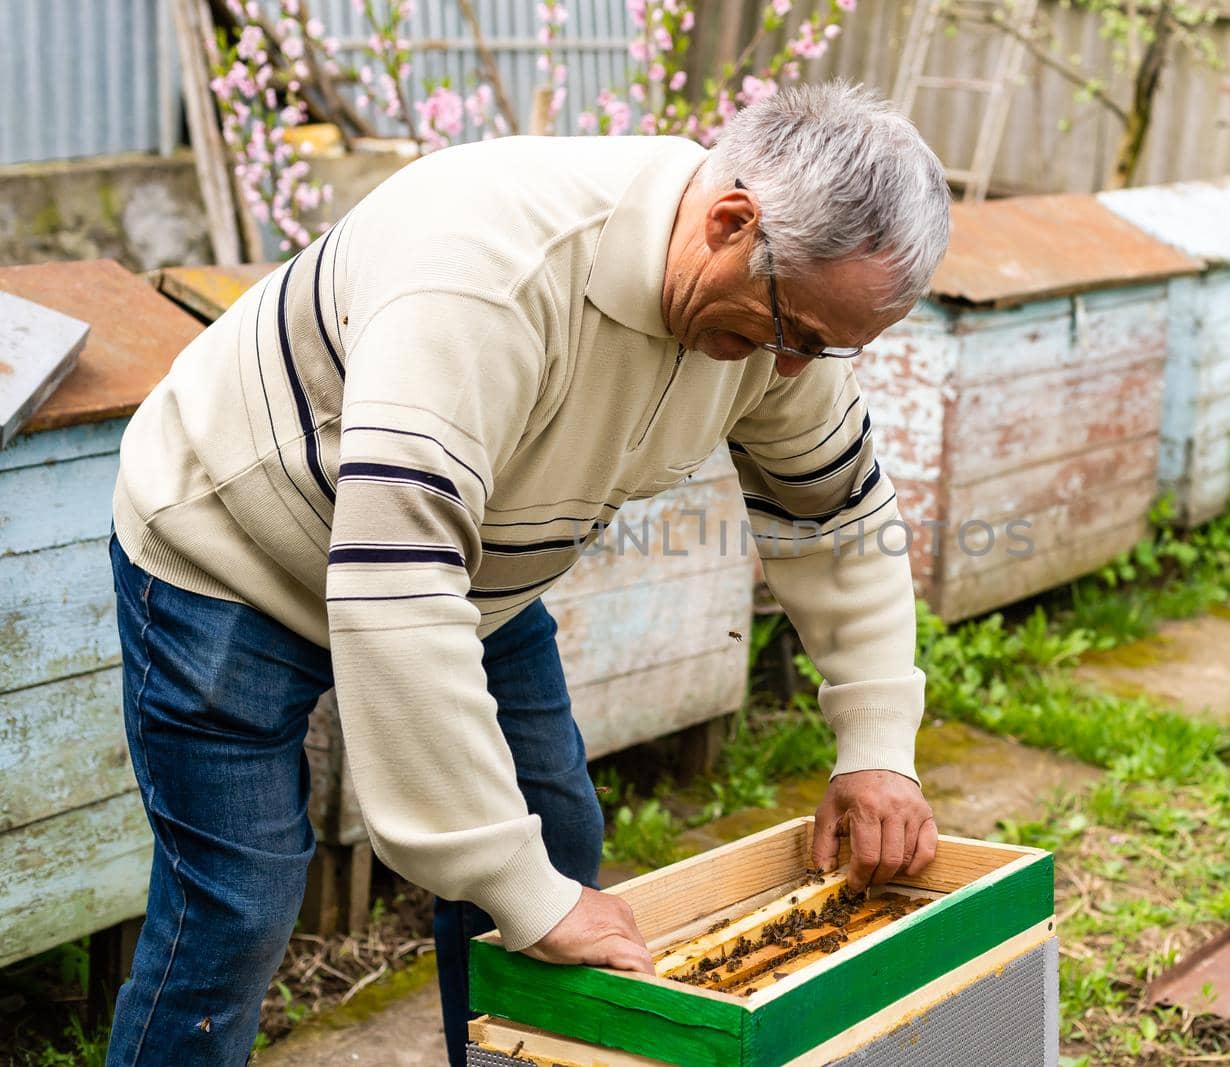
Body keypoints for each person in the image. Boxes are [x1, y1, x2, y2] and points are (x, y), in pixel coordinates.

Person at [105, 80, 951, 1066]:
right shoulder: (487, 268)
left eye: (824, 344)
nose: (797, 368)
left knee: (552, 834)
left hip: (457, 571)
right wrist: (518, 888)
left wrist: (878, 743)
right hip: (230, 553)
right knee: (237, 905)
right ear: (730, 220)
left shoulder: (769, 303)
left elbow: (838, 512)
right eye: (796, 332)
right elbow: (395, 586)